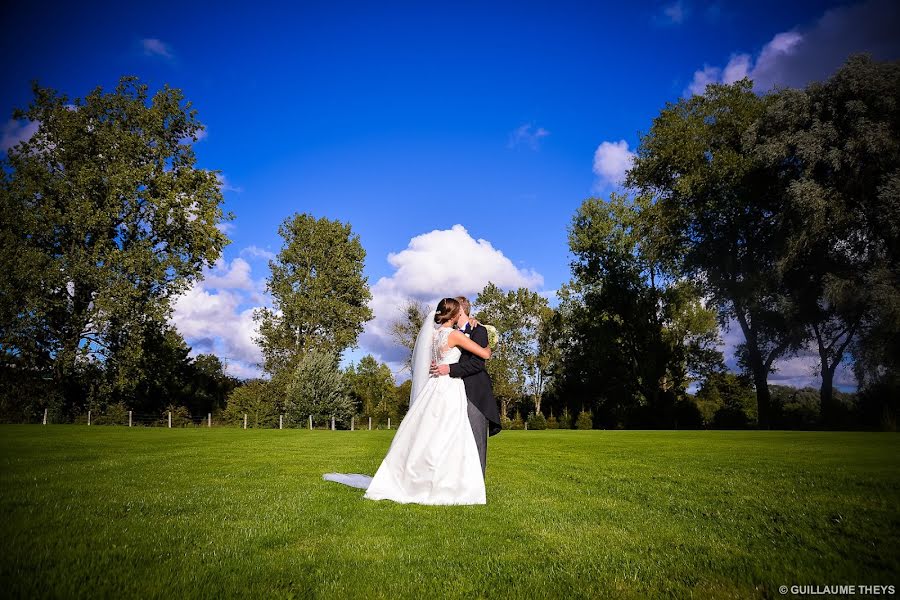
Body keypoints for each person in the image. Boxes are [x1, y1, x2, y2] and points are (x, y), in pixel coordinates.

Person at [323, 297, 491, 505]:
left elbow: (433, 360)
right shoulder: (455, 335)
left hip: (435, 386)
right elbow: (484, 354)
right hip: (449, 386)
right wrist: (488, 345)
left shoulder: (434, 335)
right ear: (456, 315)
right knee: (451, 433)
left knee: (430, 433)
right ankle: (449, 483)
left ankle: (419, 478)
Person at [429, 296, 501, 477]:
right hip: (451, 392)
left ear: (460, 310)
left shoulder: (479, 330)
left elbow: (478, 364)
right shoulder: (450, 333)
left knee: (476, 440)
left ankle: (477, 483)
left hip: (474, 394)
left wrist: (449, 368)